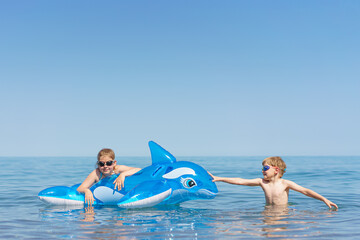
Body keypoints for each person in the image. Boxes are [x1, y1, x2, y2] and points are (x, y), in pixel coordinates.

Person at [209, 156, 338, 209]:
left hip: (282, 214)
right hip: (266, 213)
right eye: (262, 168)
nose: (262, 171)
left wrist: (323, 199)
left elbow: (305, 191)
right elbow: (240, 181)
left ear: (276, 170)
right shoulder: (262, 182)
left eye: (265, 168)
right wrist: (219, 178)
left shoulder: (285, 184)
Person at [77, 148, 141, 205]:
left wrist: (123, 175)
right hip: (103, 200)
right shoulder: (97, 173)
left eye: (109, 163)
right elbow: (80, 188)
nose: (105, 166)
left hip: (120, 195)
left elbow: (138, 170)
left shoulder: (117, 169)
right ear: (98, 164)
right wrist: (87, 191)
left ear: (114, 163)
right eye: (101, 164)